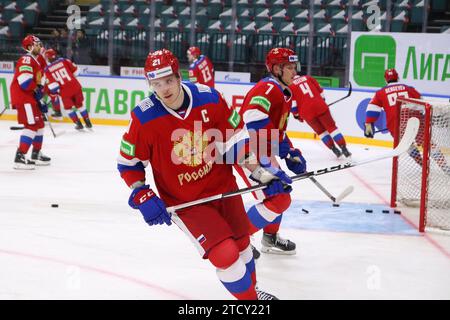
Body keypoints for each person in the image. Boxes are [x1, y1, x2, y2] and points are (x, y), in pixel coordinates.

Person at [117, 49, 293, 300]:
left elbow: (236, 141)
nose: (164, 89)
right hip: (186, 202)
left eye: (168, 80)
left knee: (242, 246)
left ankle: (251, 294)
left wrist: (263, 173)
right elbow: (128, 163)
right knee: (225, 254)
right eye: (156, 83)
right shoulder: (144, 117)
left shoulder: (209, 97)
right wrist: (141, 192)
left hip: (223, 187)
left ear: (179, 77)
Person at [236, 48, 307, 257]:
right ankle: (239, 242)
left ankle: (270, 237)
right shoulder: (268, 88)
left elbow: (277, 130)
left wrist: (290, 150)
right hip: (247, 150)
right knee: (279, 198)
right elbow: (253, 118)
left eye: (295, 67)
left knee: (280, 191)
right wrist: (280, 145)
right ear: (277, 69)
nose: (295, 72)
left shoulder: (285, 92)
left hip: (262, 149)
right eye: (290, 68)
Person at [364, 68, 450, 173]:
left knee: (408, 146)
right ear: (398, 77)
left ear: (385, 80)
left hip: (395, 124)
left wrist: (369, 124)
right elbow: (422, 103)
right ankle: (444, 166)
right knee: (427, 143)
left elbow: (372, 110)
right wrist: (425, 116)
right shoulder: (409, 88)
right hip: (414, 120)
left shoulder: (380, 93)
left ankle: (423, 166)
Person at [10, 35, 51, 169]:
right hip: (23, 97)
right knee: (32, 125)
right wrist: (37, 91)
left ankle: (36, 153)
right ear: (30, 47)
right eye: (37, 44)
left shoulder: (36, 61)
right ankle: (20, 157)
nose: (40, 47)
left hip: (29, 97)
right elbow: (25, 82)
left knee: (39, 124)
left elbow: (35, 84)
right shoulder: (27, 59)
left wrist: (40, 98)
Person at [290, 75, 352, 158]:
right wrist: (322, 101)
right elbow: (320, 91)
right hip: (320, 106)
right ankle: (344, 149)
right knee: (332, 127)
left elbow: (293, 106)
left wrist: (297, 116)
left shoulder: (290, 86)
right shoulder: (308, 78)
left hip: (307, 113)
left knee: (321, 132)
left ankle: (334, 150)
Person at [43, 48, 93, 130]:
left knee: (68, 108)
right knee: (80, 105)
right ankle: (88, 122)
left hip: (65, 91)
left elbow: (53, 87)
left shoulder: (47, 70)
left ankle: (78, 123)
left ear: (48, 57)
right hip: (75, 86)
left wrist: (53, 93)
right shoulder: (64, 60)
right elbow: (77, 72)